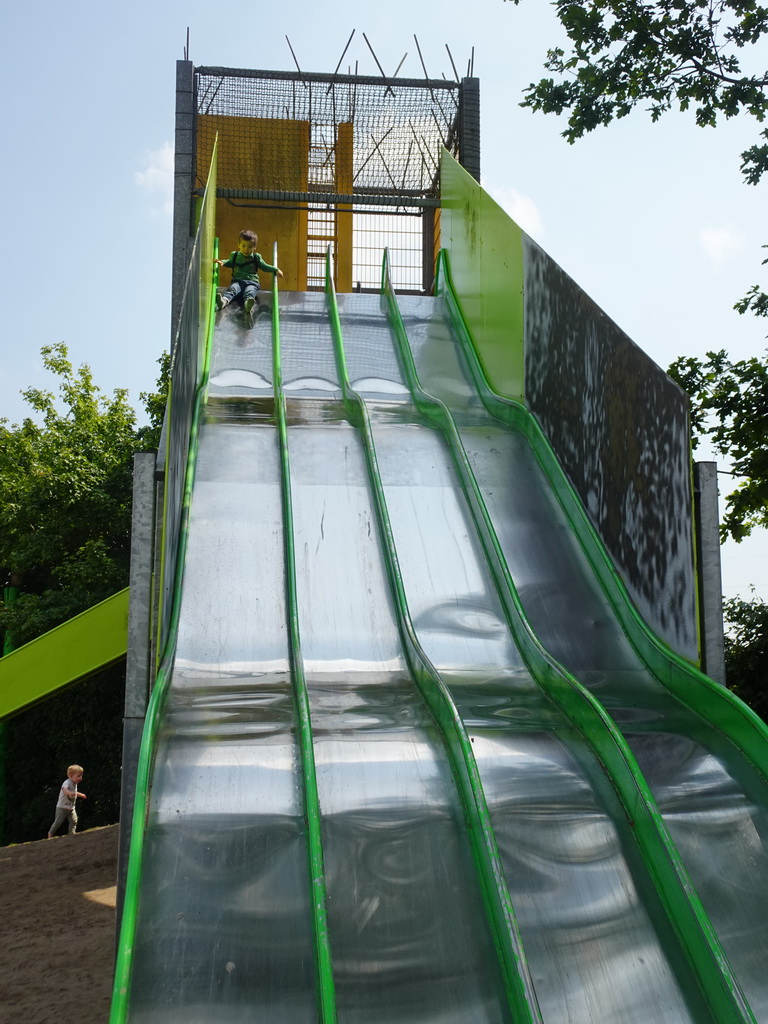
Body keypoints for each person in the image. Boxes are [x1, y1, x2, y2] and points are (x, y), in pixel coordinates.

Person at [214, 229, 283, 315]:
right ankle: (223, 301)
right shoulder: (235, 255)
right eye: (243, 246)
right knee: (233, 289)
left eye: (249, 247)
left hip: (252, 282)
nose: (246, 249)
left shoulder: (255, 257)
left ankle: (248, 304)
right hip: (238, 281)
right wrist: (222, 262)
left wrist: (276, 269)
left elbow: (264, 266)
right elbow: (230, 262)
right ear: (239, 245)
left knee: (250, 292)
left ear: (254, 248)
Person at [48, 764, 86, 838]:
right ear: (71, 776)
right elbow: (64, 789)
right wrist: (69, 793)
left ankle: (72, 833)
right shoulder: (67, 782)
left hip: (71, 808)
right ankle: (50, 833)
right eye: (78, 776)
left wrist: (81, 795)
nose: (80, 778)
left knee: (74, 820)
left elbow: (74, 792)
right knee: (58, 822)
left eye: (81, 776)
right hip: (62, 807)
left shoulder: (75, 784)